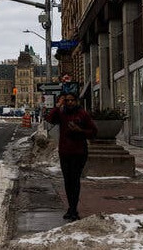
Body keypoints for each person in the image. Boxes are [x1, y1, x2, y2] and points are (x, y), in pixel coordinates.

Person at [45, 92, 97, 221]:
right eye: (66, 100)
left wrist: (80, 131)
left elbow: (93, 132)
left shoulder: (82, 114)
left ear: (76, 101)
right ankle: (71, 207)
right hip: (65, 152)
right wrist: (57, 106)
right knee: (67, 182)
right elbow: (50, 119)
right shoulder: (62, 114)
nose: (69, 103)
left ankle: (73, 209)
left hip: (79, 152)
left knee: (74, 180)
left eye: (72, 100)